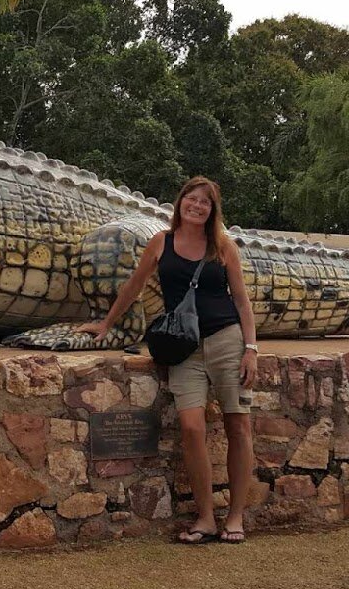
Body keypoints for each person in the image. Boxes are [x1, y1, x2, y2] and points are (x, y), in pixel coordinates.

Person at [77, 176, 259, 545]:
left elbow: (241, 300)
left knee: (238, 427)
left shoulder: (223, 247)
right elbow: (134, 285)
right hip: (183, 346)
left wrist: (251, 348)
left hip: (226, 339)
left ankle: (236, 516)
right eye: (191, 199)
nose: (196, 206)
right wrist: (106, 322)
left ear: (212, 209)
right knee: (191, 428)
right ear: (180, 203)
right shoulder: (161, 242)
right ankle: (206, 517)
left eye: (204, 202)